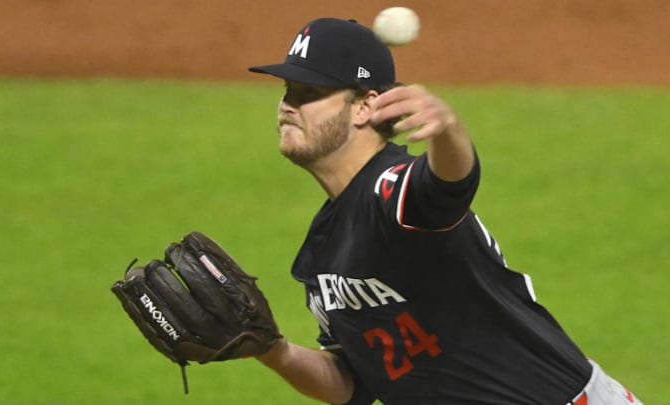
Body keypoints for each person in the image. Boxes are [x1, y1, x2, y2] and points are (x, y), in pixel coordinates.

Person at [248, 17, 642, 405]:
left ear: (365, 106)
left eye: (309, 92)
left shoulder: (390, 189)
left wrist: (447, 129)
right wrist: (275, 352)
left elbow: (447, 187)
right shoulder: (320, 250)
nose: (287, 105)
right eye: (287, 89)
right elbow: (352, 383)